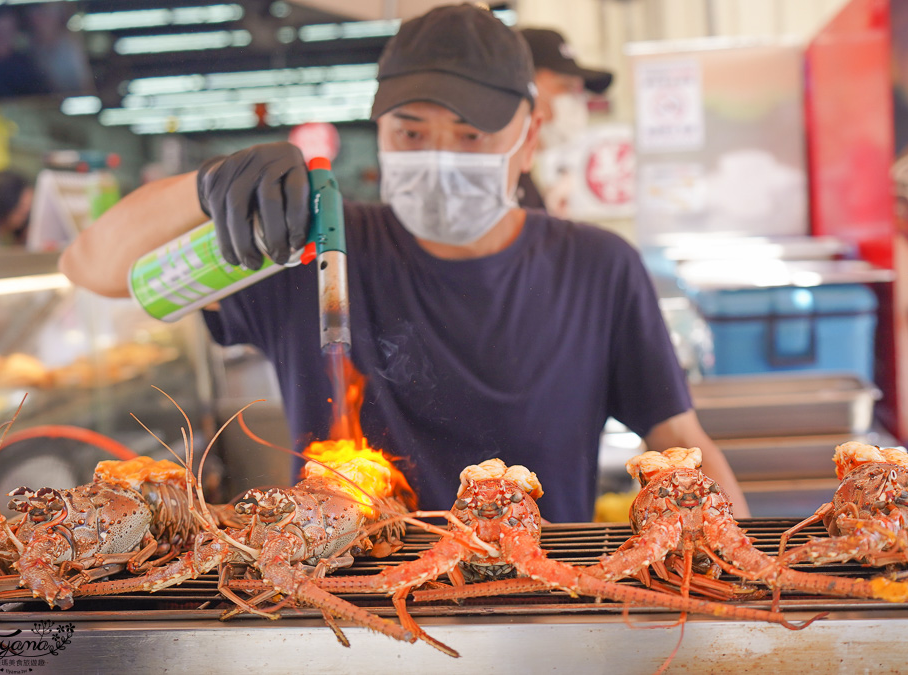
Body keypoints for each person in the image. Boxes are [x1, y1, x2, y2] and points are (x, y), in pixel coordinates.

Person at [59, 4, 749, 522]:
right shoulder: (313, 249)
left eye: (471, 135)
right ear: (379, 130)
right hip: (343, 609)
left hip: (541, 610)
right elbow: (92, 268)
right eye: (412, 131)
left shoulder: (598, 268)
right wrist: (206, 189)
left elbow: (679, 440)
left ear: (530, 138)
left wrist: (743, 577)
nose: (440, 155)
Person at [517, 27, 613, 215]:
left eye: (579, 91)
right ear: (524, 86)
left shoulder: (525, 178)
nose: (575, 102)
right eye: (565, 86)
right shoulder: (495, 177)